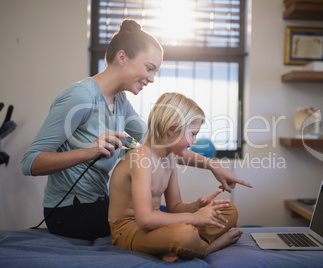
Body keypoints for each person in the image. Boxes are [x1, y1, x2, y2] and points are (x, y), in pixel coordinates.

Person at [21, 19, 252, 241]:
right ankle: (203, 243)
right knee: (176, 224)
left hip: (101, 203)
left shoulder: (120, 102)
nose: (152, 79)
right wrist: (89, 152)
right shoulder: (80, 96)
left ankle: (197, 240)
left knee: (202, 217)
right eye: (149, 68)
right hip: (69, 213)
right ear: (122, 57)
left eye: (156, 72)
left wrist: (212, 165)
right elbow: (30, 163)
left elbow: (162, 144)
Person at [109, 92, 243, 262]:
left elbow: (174, 207)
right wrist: (195, 218)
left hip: (155, 226)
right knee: (185, 234)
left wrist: (196, 207)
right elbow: (144, 220)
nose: (194, 142)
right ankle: (208, 248)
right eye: (192, 134)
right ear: (171, 130)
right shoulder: (141, 158)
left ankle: (171, 247)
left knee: (229, 211)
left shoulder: (169, 158)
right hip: (129, 230)